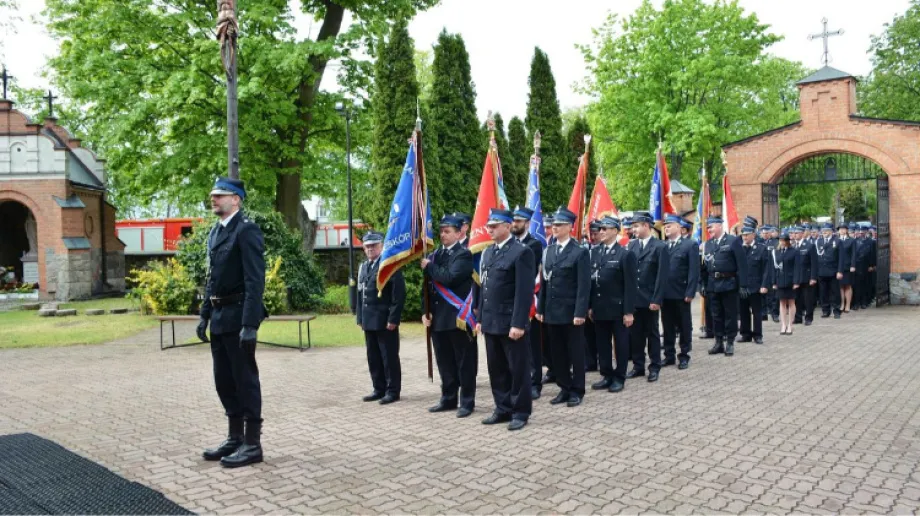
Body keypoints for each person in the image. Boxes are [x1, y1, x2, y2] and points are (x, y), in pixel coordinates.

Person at [198, 176, 267, 468]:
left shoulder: (246, 231)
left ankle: (252, 444)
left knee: (245, 380)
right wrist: (204, 315)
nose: (213, 199)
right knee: (224, 381)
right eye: (213, 194)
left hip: (238, 316)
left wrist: (250, 325)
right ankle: (235, 436)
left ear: (236, 199)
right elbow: (211, 279)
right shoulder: (215, 232)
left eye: (220, 195)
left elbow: (255, 280)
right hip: (219, 318)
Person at [477, 208, 536, 431]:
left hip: (511, 323)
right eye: (488, 226)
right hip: (491, 322)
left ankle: (520, 411)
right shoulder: (489, 253)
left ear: (507, 226)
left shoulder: (522, 252)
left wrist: (518, 323)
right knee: (497, 368)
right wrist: (481, 316)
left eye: (494, 226)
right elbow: (485, 288)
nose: (489, 230)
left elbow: (524, 292)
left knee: (518, 369)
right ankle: (502, 408)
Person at [422, 215, 476, 418]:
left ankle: (467, 402)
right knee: (445, 363)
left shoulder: (463, 255)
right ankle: (448, 398)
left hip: (457, 318)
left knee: (464, 363)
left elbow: (450, 278)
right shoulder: (435, 255)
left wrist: (429, 267)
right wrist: (424, 311)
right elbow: (426, 287)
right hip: (438, 319)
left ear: (458, 233)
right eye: (442, 231)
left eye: (447, 231)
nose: (443, 235)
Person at [536, 207, 590, 407]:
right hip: (551, 311)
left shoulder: (579, 252)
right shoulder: (548, 251)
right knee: (557, 352)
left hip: (570, 312)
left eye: (559, 225)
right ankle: (564, 387)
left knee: (575, 352)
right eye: (553, 225)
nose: (554, 228)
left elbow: (584, 286)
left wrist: (580, 312)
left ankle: (577, 390)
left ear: (570, 227)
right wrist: (541, 309)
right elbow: (545, 284)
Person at [588, 216, 636, 393]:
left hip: (618, 307)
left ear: (615, 231)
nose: (601, 232)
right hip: (600, 307)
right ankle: (606, 374)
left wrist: (629, 311)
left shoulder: (625, 254)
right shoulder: (595, 252)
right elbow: (592, 281)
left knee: (621, 344)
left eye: (605, 229)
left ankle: (619, 377)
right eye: (600, 229)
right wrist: (590, 305)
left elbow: (630, 285)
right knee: (602, 344)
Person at [357, 231, 405, 405]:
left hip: (385, 321)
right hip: (369, 320)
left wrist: (393, 319)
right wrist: (360, 318)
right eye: (367, 246)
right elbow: (360, 294)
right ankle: (379, 388)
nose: (370, 249)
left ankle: (393, 391)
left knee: (389, 357)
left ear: (381, 246)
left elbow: (398, 295)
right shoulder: (363, 266)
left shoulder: (389, 266)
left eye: (374, 245)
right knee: (373, 357)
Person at [626, 211, 668, 381]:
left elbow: (661, 276)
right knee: (635, 334)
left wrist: (656, 299)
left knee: (652, 333)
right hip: (635, 298)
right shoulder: (631, 246)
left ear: (646, 225)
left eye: (636, 226)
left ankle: (654, 366)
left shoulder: (660, 247)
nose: (633, 229)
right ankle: (638, 366)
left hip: (650, 298)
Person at [510, 206, 545, 399]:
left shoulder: (534, 244)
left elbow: (530, 272)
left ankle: (535, 382)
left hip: (529, 297)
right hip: (511, 298)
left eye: (519, 221)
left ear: (527, 223)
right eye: (513, 221)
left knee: (533, 345)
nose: (515, 224)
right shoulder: (510, 243)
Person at [702, 216, 748, 356]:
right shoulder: (708, 244)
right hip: (713, 285)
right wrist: (703, 284)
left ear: (719, 226)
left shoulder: (733, 241)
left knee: (730, 314)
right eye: (708, 227)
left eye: (711, 227)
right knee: (716, 315)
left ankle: (729, 342)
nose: (709, 230)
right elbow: (704, 266)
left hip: (729, 284)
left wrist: (743, 285)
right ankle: (718, 342)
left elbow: (742, 264)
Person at [661, 215, 698, 369]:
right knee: (667, 325)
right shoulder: (663, 246)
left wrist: (690, 292)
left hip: (681, 293)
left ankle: (684, 355)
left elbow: (693, 271)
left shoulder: (689, 245)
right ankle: (669, 355)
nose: (666, 228)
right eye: (665, 226)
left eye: (669, 225)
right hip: (665, 294)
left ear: (678, 227)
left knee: (684, 325)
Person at [738, 225, 771, 344]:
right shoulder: (739, 249)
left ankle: (758, 335)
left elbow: (766, 269)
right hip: (742, 286)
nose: (745, 237)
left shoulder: (761, 248)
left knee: (757, 312)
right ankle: (745, 334)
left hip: (756, 286)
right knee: (743, 311)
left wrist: (764, 285)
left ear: (753, 235)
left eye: (747, 235)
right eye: (743, 235)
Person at [772, 231, 803, 335]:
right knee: (781, 302)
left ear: (787, 241)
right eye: (780, 240)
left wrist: (796, 281)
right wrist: (774, 282)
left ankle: (790, 325)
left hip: (790, 280)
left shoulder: (794, 251)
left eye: (783, 240)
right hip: (780, 280)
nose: (781, 242)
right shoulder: (777, 252)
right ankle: (783, 325)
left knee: (791, 302)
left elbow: (797, 268)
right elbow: (774, 268)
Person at [583, 220, 602, 372]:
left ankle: (603, 361)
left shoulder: (605, 250)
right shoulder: (586, 250)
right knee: (588, 333)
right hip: (589, 297)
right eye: (592, 234)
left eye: (596, 233)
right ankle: (590, 361)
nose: (594, 237)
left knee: (601, 334)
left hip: (602, 298)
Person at [816, 222, 844, 319]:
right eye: (823, 231)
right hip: (822, 271)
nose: (825, 232)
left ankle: (836, 310)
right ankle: (825, 310)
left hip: (833, 270)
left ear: (831, 231)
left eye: (827, 230)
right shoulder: (818, 241)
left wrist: (840, 271)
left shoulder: (837, 241)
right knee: (823, 292)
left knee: (835, 292)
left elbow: (841, 258)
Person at [793, 227, 818, 325]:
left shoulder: (810, 245)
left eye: (797, 233)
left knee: (808, 299)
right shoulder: (793, 246)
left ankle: (809, 317)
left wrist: (813, 277)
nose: (795, 235)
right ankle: (798, 317)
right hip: (796, 277)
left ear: (802, 234)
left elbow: (814, 263)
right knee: (797, 298)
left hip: (807, 276)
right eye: (794, 233)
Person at [853, 224, 876, 310]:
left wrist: (872, 265)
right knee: (856, 286)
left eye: (863, 231)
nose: (861, 232)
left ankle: (864, 302)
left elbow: (873, 254)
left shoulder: (871, 242)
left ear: (866, 232)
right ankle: (856, 303)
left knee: (866, 285)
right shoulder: (855, 241)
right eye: (860, 231)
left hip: (866, 266)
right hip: (857, 266)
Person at [838, 223, 857, 313]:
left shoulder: (851, 240)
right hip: (838, 267)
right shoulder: (836, 240)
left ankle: (848, 305)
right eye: (840, 229)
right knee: (840, 286)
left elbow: (853, 254)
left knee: (848, 286)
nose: (841, 230)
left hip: (847, 266)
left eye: (843, 229)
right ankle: (842, 304)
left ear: (846, 230)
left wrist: (853, 265)